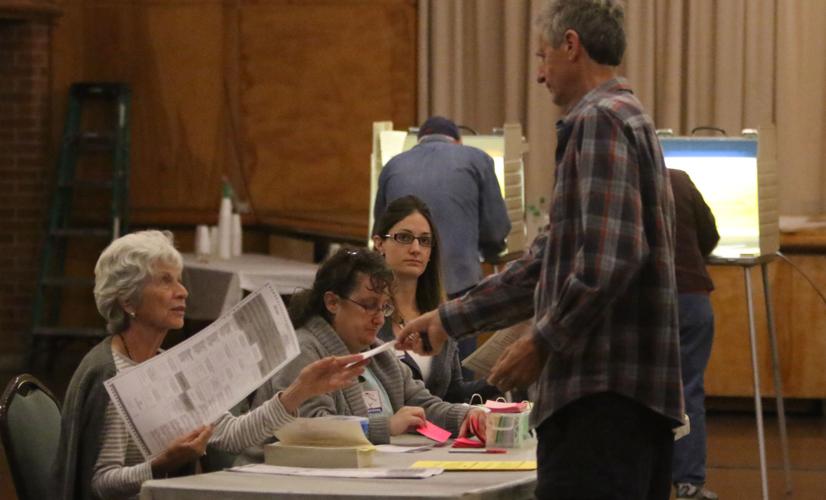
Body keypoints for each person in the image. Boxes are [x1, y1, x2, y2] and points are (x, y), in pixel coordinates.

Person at [397, 1, 682, 499]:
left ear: (571, 45)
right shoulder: (626, 118)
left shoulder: (599, 120)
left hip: (599, 401)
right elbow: (547, 263)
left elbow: (610, 260)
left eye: (542, 56)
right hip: (623, 402)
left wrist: (541, 342)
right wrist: (447, 319)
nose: (539, 74)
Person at [53, 230, 366, 500]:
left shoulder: (165, 364)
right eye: (165, 281)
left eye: (178, 280)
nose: (182, 291)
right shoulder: (110, 372)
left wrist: (299, 392)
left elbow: (230, 434)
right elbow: (100, 483)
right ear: (127, 300)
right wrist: (160, 465)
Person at [250, 246, 486, 446]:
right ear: (332, 302)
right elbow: (311, 431)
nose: (380, 319)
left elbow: (422, 406)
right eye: (369, 305)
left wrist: (468, 415)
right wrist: (387, 426)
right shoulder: (303, 351)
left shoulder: (378, 353)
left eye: (384, 307)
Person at [373, 195, 499, 403]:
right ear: (379, 244)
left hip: (437, 424)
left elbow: (453, 396)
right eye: (404, 237)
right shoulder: (366, 313)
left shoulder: (439, 316)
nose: (416, 249)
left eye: (424, 241)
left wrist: (498, 380)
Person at [373, 115, 511, 300]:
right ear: (458, 141)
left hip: (405, 285)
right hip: (459, 283)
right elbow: (495, 230)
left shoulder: (392, 165)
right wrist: (491, 253)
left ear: (419, 141)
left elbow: (380, 230)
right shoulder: (477, 159)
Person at [669, 168, 720, 500]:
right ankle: (689, 484)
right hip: (691, 297)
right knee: (688, 390)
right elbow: (710, 235)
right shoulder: (678, 179)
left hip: (640, 304)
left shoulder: (613, 182)